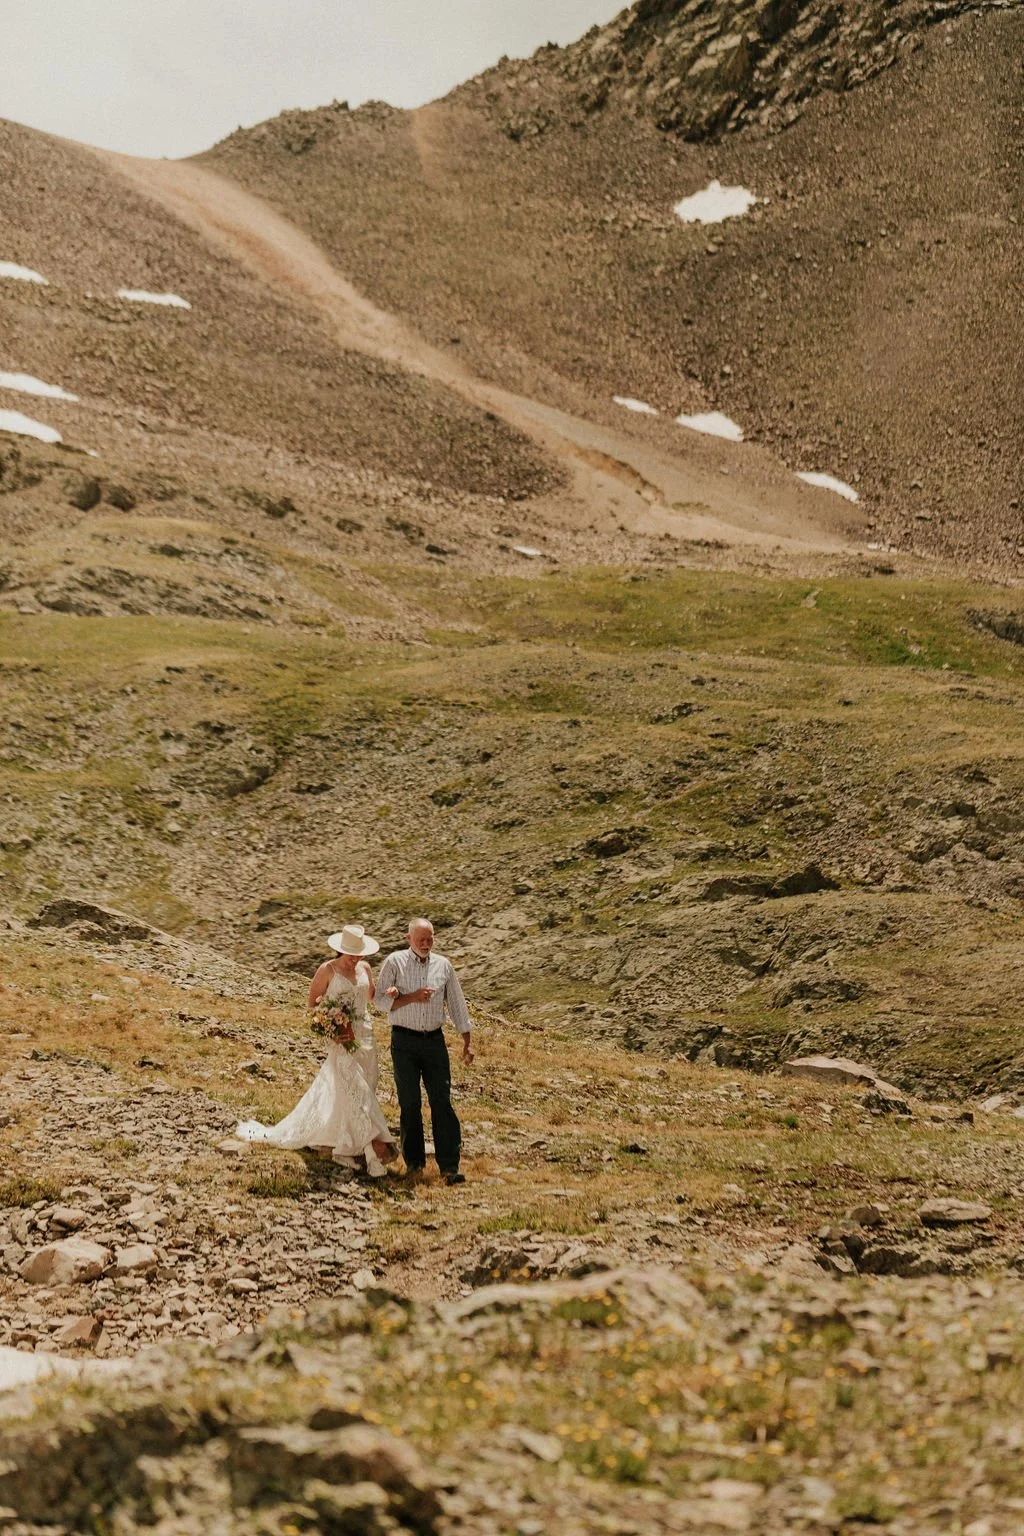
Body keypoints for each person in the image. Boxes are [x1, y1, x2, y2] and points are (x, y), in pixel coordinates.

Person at [236, 924, 399, 1177]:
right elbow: (312, 1006)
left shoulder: (365, 968)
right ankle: (370, 1154)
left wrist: (391, 993)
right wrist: (333, 1026)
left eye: (359, 953)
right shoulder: (327, 970)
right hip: (341, 1040)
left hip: (365, 1036)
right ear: (341, 950)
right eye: (351, 953)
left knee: (362, 1089)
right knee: (357, 1092)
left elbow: (371, 998)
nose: (356, 957)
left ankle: (344, 1148)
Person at [375, 918, 474, 1185]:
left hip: (434, 1041)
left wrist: (467, 1040)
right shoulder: (394, 962)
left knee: (442, 1101)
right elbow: (380, 1003)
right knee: (410, 1104)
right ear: (409, 939)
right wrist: (411, 997)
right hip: (403, 1042)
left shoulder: (444, 965)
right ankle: (415, 1164)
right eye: (421, 939)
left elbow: (456, 1003)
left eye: (430, 939)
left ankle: (449, 1167)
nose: (426, 944)